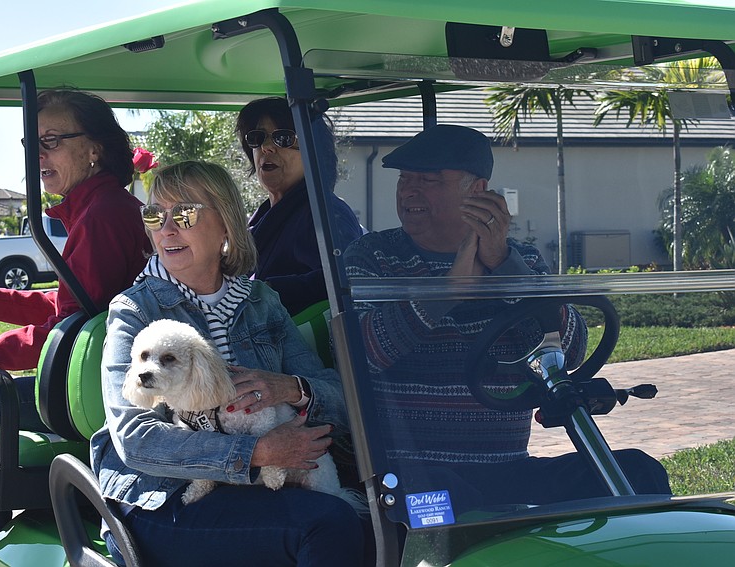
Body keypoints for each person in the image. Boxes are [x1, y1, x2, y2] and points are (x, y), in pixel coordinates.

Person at [343, 124, 671, 511]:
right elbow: (357, 355)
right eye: (404, 179)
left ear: (478, 192)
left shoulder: (522, 260)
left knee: (638, 472)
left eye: (428, 180)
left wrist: (503, 266)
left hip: (507, 469)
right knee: (442, 498)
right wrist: (448, 292)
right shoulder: (373, 256)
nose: (408, 191)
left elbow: (572, 350)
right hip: (412, 476)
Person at [92, 161, 366, 567]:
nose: (166, 228)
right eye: (154, 215)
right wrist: (256, 452)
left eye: (183, 214)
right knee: (329, 524)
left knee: (388, 520)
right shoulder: (134, 309)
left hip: (260, 489)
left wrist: (290, 388)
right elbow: (134, 437)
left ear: (226, 225)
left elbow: (342, 401)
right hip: (162, 497)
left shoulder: (261, 302)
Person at [0, 88, 153, 566]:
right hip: (100, 373)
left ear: (94, 148)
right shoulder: (104, 208)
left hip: (97, 385)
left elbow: (68, 332)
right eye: (31, 143)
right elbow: (71, 307)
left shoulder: (100, 217)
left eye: (51, 140)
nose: (37, 155)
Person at [237, 97, 363, 316]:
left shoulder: (327, 214)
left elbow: (346, 279)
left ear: (314, 151)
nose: (266, 147)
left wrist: (268, 290)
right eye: (257, 138)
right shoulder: (262, 218)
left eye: (283, 138)